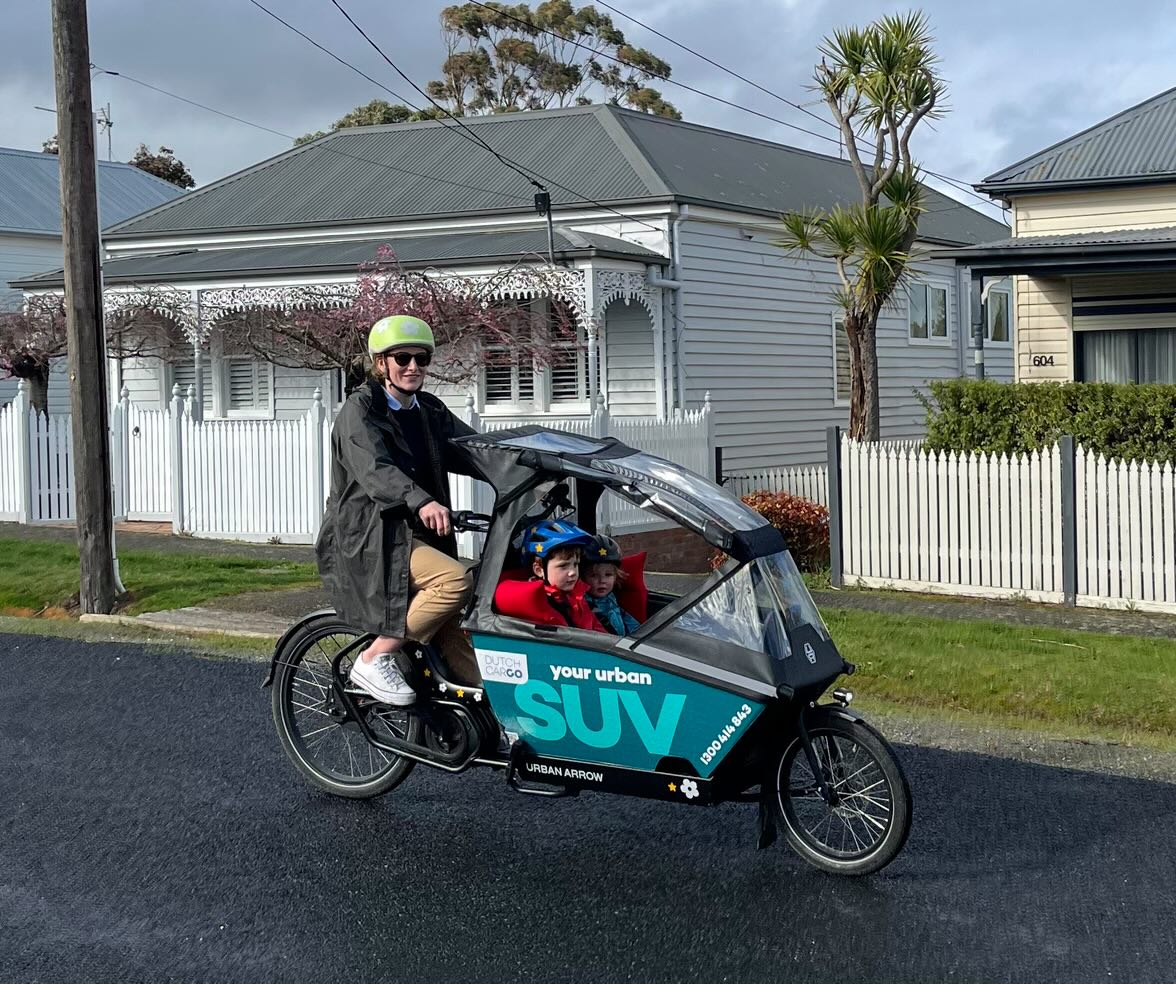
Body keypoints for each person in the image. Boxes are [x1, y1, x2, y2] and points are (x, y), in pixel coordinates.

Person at [315, 315, 477, 706]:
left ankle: (497, 718)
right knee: (453, 582)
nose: (413, 367)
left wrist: (533, 466)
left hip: (416, 538)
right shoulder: (360, 410)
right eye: (402, 358)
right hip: (373, 538)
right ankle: (375, 656)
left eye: (422, 359)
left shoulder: (429, 411)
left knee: (459, 617)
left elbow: (475, 450)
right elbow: (376, 468)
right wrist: (420, 500)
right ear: (380, 363)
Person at [520, 520, 605, 632]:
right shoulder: (539, 605)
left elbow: (599, 631)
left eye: (575, 564)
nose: (573, 572)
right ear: (539, 570)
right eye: (563, 566)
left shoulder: (577, 596)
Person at [582, 534, 639, 636]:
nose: (602, 580)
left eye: (608, 575)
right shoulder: (585, 605)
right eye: (594, 576)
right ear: (583, 578)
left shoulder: (611, 598)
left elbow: (625, 618)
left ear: (616, 576)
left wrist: (639, 634)